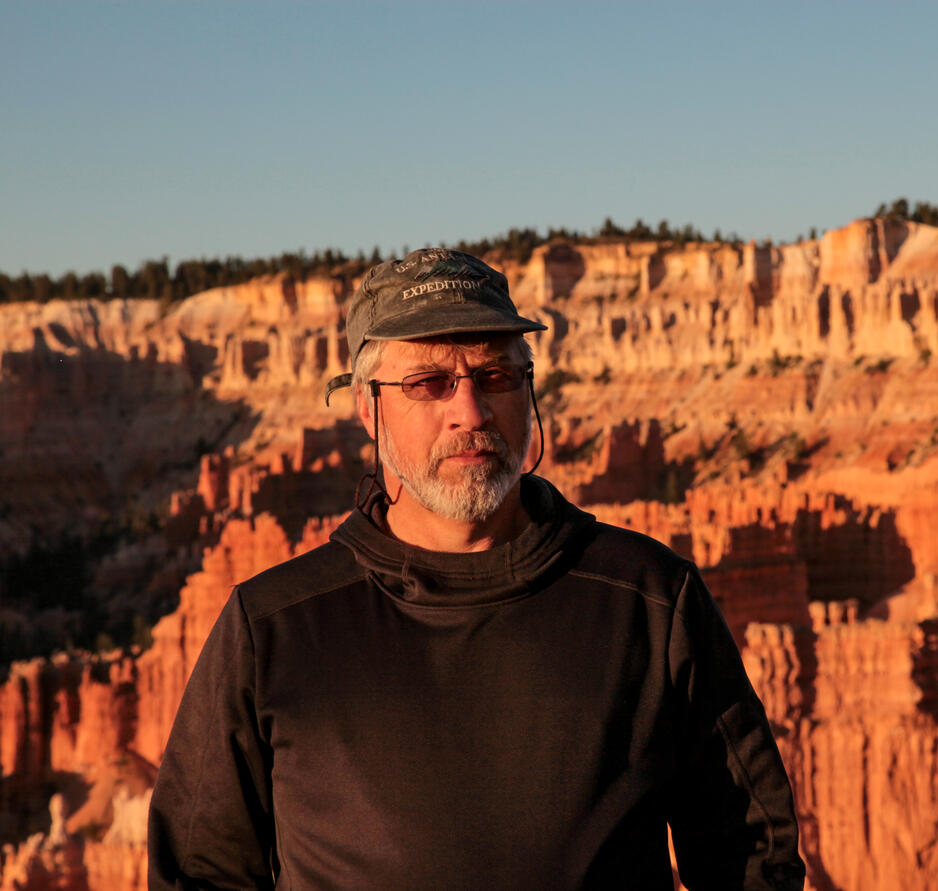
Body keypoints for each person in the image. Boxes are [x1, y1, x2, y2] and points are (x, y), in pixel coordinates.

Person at [146, 248, 806, 890]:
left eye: (495, 376)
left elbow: (751, 857)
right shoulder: (273, 629)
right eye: (430, 382)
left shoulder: (651, 601)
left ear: (529, 387)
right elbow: (201, 873)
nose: (471, 411)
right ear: (367, 408)